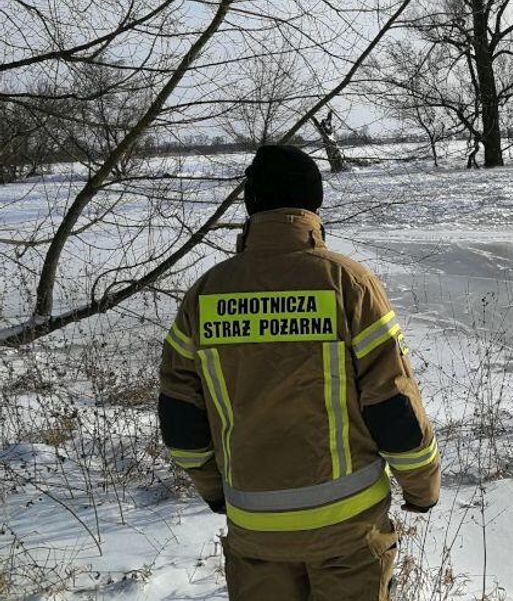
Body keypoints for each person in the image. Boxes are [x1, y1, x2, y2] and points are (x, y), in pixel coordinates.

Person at [158, 145, 440, 600]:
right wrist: (422, 488)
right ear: (314, 204)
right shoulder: (349, 284)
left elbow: (179, 418)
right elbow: (393, 405)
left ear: (251, 207)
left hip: (254, 533)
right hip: (348, 535)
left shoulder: (205, 294)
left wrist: (214, 490)